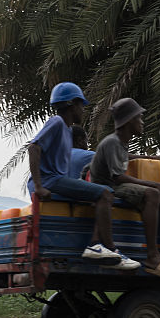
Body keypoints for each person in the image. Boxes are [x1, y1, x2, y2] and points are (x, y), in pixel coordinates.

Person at [27, 83, 139, 270]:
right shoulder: (56, 122)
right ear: (71, 104)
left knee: (97, 195)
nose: (83, 110)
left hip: (56, 180)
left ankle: (96, 244)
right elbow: (33, 148)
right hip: (50, 181)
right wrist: (39, 185)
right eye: (81, 106)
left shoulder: (66, 130)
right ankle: (106, 247)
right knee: (105, 193)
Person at [89, 98, 160, 277]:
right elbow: (118, 177)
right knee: (153, 193)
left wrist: (153, 158)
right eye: (139, 118)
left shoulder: (120, 142)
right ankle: (152, 256)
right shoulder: (112, 142)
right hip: (108, 187)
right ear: (129, 121)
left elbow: (125, 155)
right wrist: (155, 184)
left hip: (114, 185)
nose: (142, 122)